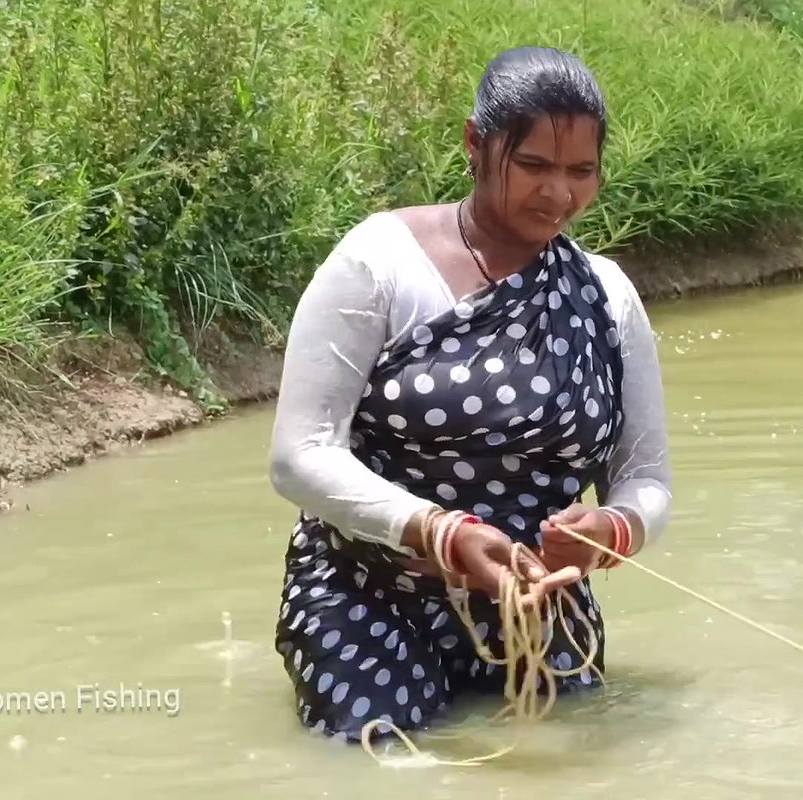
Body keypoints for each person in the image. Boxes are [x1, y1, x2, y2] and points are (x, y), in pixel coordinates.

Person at [267, 45, 673, 744]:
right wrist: (442, 533)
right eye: (534, 166)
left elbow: (645, 476)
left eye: (582, 172)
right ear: (475, 145)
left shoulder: (605, 294)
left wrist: (611, 531)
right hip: (370, 595)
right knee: (375, 761)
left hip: (538, 608)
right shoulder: (379, 263)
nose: (559, 194)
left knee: (576, 760)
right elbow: (299, 456)